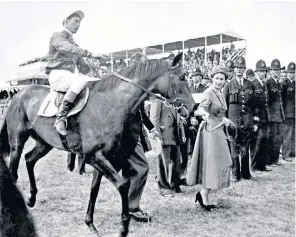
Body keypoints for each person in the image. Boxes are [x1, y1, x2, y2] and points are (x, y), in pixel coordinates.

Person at [45, 10, 107, 136]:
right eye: (76, 21)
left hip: (69, 76)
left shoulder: (73, 43)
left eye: (79, 22)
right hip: (57, 75)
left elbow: (82, 67)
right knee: (80, 80)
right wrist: (90, 54)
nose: (78, 25)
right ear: (66, 22)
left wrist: (98, 72)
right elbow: (65, 47)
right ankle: (61, 117)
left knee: (97, 83)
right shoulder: (57, 36)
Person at [187, 66, 233, 211]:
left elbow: (218, 111)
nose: (219, 81)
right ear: (212, 78)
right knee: (212, 164)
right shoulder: (208, 92)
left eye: (222, 79)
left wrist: (224, 119)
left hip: (219, 130)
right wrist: (204, 114)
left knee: (220, 162)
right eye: (217, 78)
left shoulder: (219, 93)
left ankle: (204, 194)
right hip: (210, 132)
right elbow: (200, 109)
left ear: (225, 80)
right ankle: (203, 196)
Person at [223, 56, 257, 182]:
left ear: (244, 69)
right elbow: (224, 105)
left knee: (245, 147)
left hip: (247, 120)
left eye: (241, 68)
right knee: (234, 148)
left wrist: (255, 121)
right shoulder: (228, 85)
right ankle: (235, 174)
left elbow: (255, 105)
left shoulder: (250, 84)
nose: (238, 70)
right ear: (234, 69)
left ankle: (246, 173)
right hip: (233, 121)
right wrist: (225, 120)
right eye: (236, 68)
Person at [150, 97, 185, 197]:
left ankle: (174, 183)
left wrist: (182, 133)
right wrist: (157, 137)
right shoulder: (158, 99)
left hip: (175, 134)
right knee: (164, 162)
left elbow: (179, 117)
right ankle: (163, 187)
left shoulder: (175, 97)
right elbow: (154, 119)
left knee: (177, 161)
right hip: (164, 134)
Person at [250, 60, 272, 173]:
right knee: (256, 143)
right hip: (257, 118)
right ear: (256, 72)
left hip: (265, 117)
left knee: (264, 141)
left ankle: (262, 165)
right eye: (260, 71)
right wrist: (255, 118)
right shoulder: (253, 84)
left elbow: (266, 102)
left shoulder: (264, 84)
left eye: (263, 71)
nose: (262, 73)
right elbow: (252, 103)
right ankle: (254, 166)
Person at [265, 59, 285, 166]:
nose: (277, 72)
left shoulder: (279, 84)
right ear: (271, 71)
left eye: (278, 70)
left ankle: (275, 159)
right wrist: (268, 115)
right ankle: (269, 160)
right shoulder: (268, 83)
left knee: (278, 138)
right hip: (272, 116)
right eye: (274, 70)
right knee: (271, 139)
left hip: (280, 115)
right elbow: (267, 101)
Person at [281, 62, 295, 161]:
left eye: (293, 72)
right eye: (290, 73)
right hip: (287, 113)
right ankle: (285, 154)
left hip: (294, 113)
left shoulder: (295, 83)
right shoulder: (284, 84)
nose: (291, 74)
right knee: (287, 134)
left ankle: (293, 152)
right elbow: (281, 101)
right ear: (287, 73)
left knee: (294, 134)